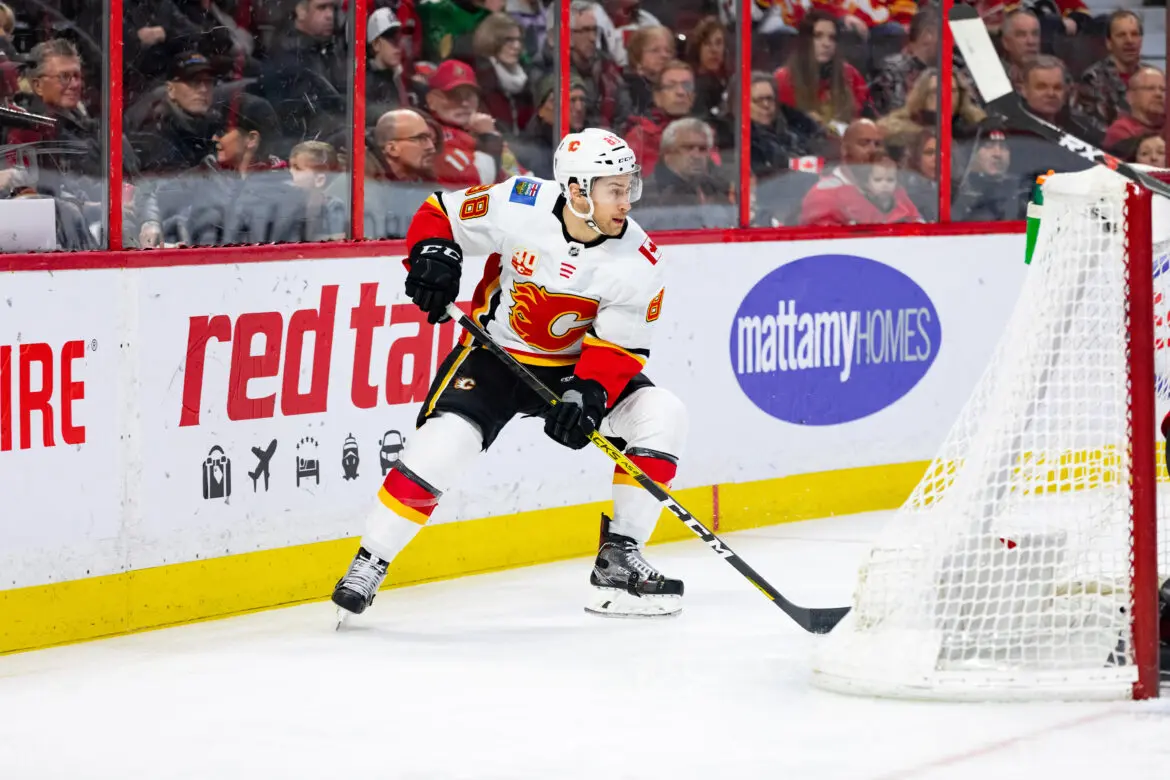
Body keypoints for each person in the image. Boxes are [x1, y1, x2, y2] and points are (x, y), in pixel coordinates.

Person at [331, 128, 688, 619]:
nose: (627, 201)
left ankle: (618, 558)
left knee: (663, 414)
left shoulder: (640, 260)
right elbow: (440, 213)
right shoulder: (519, 201)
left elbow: (620, 346)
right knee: (441, 448)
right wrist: (435, 256)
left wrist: (589, 394)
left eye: (630, 187)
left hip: (573, 370)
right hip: (496, 357)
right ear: (579, 190)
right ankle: (371, 560)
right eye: (615, 189)